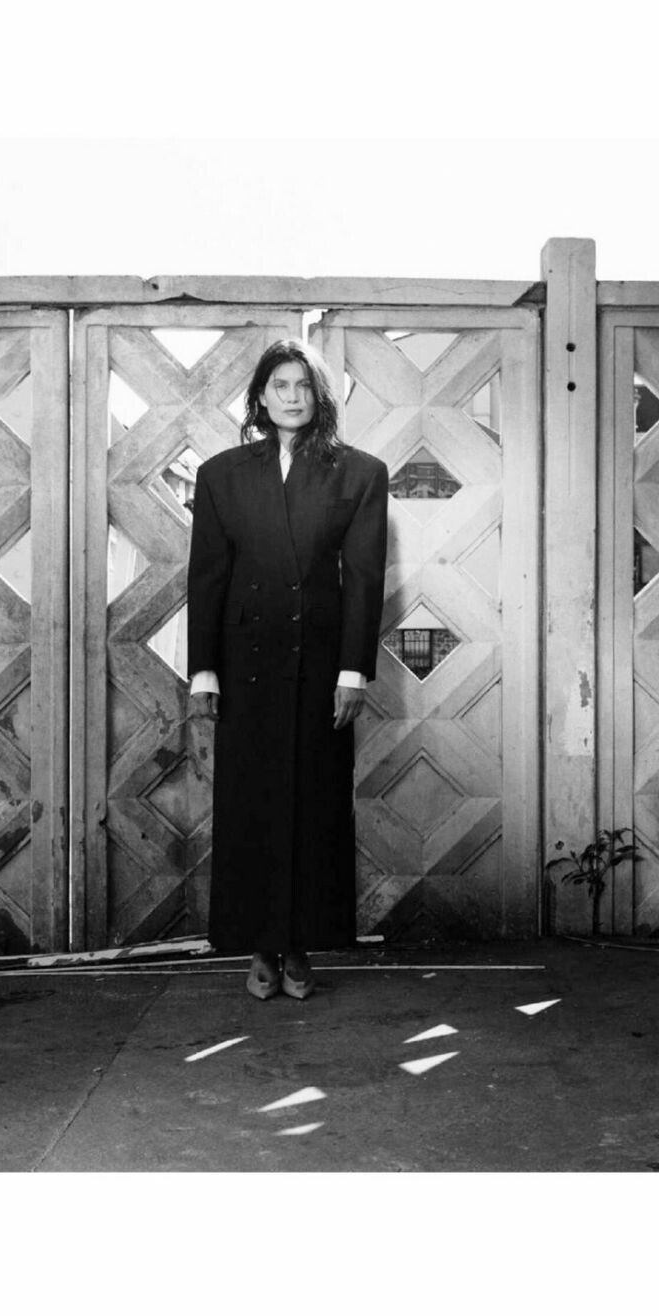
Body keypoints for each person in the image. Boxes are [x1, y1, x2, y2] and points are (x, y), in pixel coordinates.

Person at [186, 338, 389, 999]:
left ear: (320, 396)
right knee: (251, 809)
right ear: (260, 396)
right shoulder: (221, 474)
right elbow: (207, 577)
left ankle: (300, 945)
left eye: (304, 385)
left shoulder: (359, 473)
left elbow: (363, 579)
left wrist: (354, 672)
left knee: (313, 808)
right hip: (245, 667)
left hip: (321, 671)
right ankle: (259, 945)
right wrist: (203, 671)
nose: (292, 396)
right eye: (280, 385)